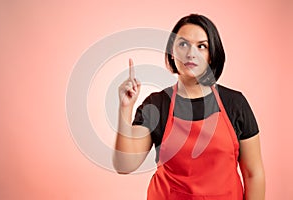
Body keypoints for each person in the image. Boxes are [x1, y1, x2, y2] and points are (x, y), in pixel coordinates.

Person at [113, 14, 265, 200]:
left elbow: (253, 173)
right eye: (183, 44)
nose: (191, 53)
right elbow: (124, 165)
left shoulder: (234, 103)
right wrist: (125, 109)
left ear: (211, 56)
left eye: (201, 46)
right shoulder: (157, 104)